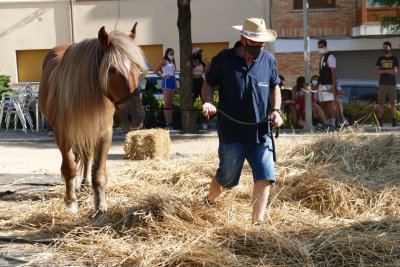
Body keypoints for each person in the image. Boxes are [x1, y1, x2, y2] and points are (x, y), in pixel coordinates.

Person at [201, 18, 282, 224]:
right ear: (243, 39)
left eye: (261, 43)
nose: (258, 47)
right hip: (232, 133)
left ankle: (257, 224)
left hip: (260, 131)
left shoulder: (268, 60)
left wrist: (277, 111)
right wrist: (208, 101)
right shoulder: (224, 59)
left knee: (265, 176)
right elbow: (208, 84)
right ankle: (209, 200)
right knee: (227, 180)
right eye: (255, 43)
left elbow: (274, 87)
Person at [375, 41, 399, 127]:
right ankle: (380, 121)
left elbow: (395, 71)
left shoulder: (394, 58)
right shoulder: (380, 58)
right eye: (384, 47)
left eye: (386, 47)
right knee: (380, 103)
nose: (385, 48)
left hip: (392, 84)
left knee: (393, 103)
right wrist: (387, 70)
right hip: (382, 84)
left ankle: (394, 121)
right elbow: (377, 72)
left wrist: (383, 70)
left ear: (390, 48)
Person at [154, 48, 177, 130]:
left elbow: (173, 73)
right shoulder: (164, 61)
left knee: (171, 104)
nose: (172, 54)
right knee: (167, 103)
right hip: (166, 81)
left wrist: (176, 85)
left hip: (172, 82)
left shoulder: (173, 61)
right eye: (171, 53)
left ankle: (171, 122)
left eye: (173, 53)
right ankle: (167, 123)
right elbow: (155, 70)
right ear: (167, 53)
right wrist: (162, 76)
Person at [317, 39, 337, 128]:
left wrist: (333, 86)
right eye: (319, 48)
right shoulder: (321, 58)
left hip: (328, 84)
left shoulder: (331, 57)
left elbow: (333, 72)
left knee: (330, 103)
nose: (320, 49)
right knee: (323, 104)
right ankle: (327, 122)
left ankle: (333, 122)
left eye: (321, 47)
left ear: (325, 47)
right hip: (321, 84)